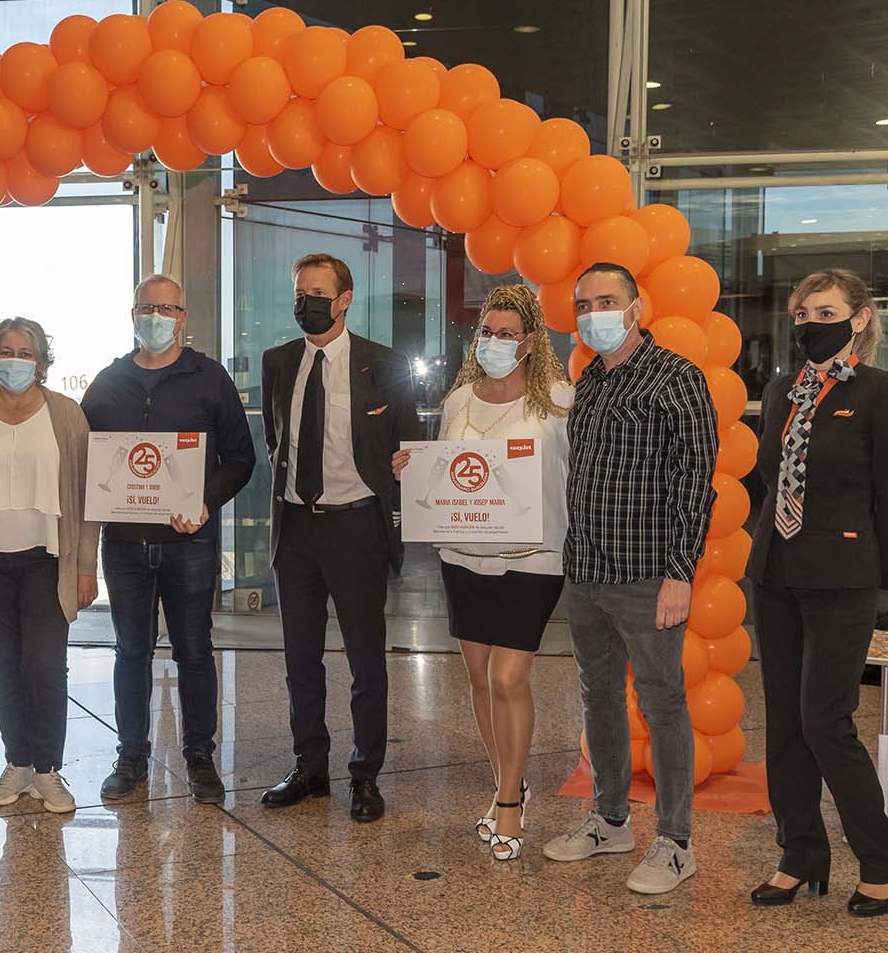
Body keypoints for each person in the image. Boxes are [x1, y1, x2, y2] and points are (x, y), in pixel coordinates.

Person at [747, 270, 888, 917]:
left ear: (859, 318)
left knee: (826, 721)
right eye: (800, 311)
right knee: (785, 726)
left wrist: (866, 567)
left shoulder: (884, 393)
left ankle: (881, 860)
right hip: (774, 575)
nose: (807, 321)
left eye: (823, 309)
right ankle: (800, 855)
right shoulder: (780, 391)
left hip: (842, 579)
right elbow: (769, 479)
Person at [542, 262, 718, 894]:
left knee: (662, 700)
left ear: (637, 307)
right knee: (597, 695)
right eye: (584, 304)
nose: (594, 313)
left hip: (648, 575)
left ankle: (675, 842)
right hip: (586, 569)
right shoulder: (588, 380)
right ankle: (610, 819)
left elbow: (695, 483)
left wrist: (681, 574)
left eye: (607, 300)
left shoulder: (677, 379)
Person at [391, 284, 572, 860]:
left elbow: (576, 480)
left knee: (507, 678)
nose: (494, 342)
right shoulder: (460, 399)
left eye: (507, 334)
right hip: (463, 556)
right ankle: (505, 784)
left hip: (533, 558)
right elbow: (447, 470)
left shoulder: (559, 402)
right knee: (476, 675)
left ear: (532, 342)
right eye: (486, 332)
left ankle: (513, 806)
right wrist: (412, 472)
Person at [81, 275, 256, 805]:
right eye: (145, 307)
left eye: (166, 308)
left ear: (183, 317)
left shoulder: (210, 379)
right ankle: (131, 754)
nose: (154, 316)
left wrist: (205, 501)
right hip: (125, 545)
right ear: (131, 314)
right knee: (130, 651)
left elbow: (241, 460)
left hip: (190, 544)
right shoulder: (107, 382)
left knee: (195, 651)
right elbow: (85, 460)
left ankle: (198, 753)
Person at [259, 253, 421, 823]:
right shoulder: (277, 362)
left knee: (364, 659)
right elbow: (274, 441)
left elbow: (409, 445)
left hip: (357, 526)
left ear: (345, 299)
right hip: (296, 527)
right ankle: (309, 767)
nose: (307, 301)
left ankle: (366, 775)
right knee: (300, 658)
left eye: (319, 292)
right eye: (301, 291)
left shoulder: (383, 363)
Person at [0, 318, 99, 814]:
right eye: (6, 351)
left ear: (42, 361)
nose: (14, 360)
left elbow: (90, 495)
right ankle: (17, 763)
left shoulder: (67, 415)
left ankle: (48, 770)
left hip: (47, 563)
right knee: (3, 666)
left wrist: (87, 566)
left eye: (25, 353)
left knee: (46, 666)